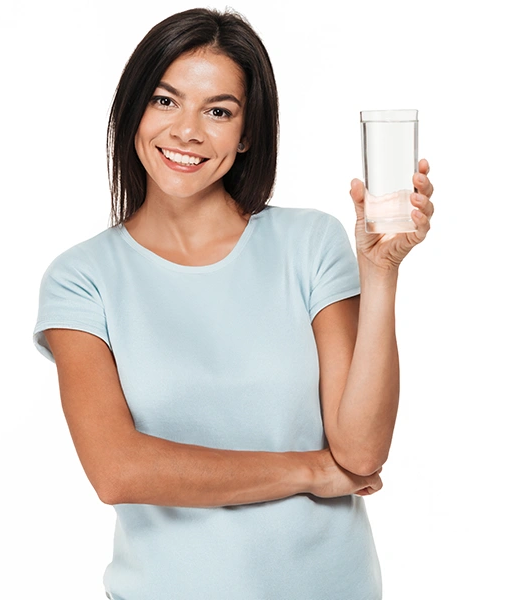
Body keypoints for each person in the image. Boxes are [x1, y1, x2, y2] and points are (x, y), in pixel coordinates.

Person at [32, 7, 434, 600]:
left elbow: (361, 449)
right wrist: (308, 470)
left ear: (247, 132)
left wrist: (379, 272)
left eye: (218, 110)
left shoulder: (309, 243)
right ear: (133, 109)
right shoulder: (82, 279)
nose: (187, 131)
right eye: (166, 101)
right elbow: (118, 470)